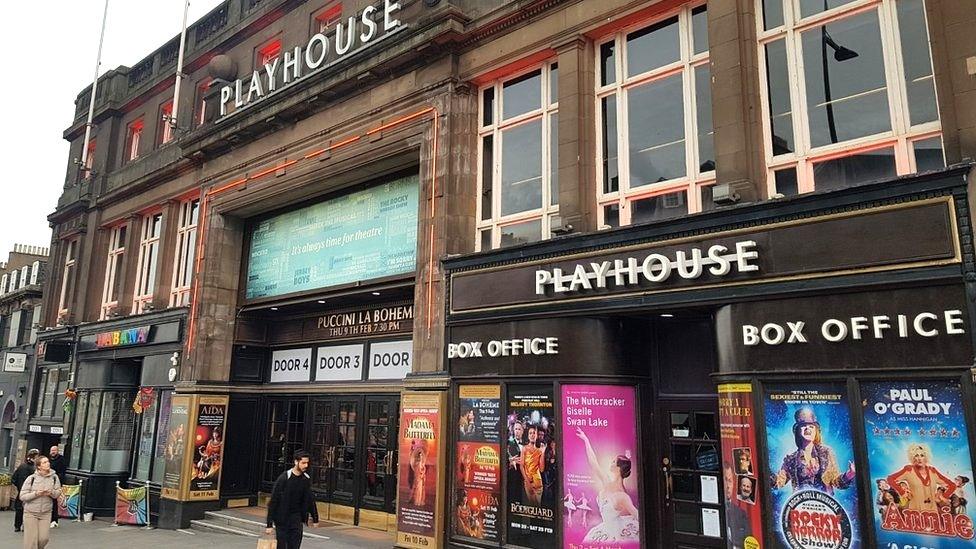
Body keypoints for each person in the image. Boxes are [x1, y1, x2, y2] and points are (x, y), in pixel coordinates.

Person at [574, 427, 640, 543]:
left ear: (618, 468)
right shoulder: (607, 481)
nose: (611, 462)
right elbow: (594, 463)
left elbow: (637, 514)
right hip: (605, 530)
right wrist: (586, 440)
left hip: (616, 534)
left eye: (614, 461)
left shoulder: (622, 496)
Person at [771, 408, 855, 494]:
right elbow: (778, 482)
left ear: (816, 432)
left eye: (811, 426)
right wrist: (765, 472)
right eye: (804, 426)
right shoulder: (791, 459)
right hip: (799, 505)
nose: (808, 428)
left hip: (824, 505)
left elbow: (837, 482)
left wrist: (850, 473)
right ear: (798, 431)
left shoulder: (826, 452)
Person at [265, 450, 319, 549]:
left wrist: (315, 518)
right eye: (303, 463)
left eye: (307, 463)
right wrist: (269, 524)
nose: (306, 465)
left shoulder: (305, 479)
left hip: (296, 518)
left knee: (295, 545)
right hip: (282, 519)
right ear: (296, 462)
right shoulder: (284, 478)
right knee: (282, 546)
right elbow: (273, 501)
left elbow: (310, 499)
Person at [887, 443, 956, 512]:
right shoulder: (908, 470)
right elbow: (890, 479)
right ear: (912, 457)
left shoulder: (933, 472)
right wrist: (902, 492)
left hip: (932, 512)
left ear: (926, 457)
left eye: (922, 455)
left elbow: (952, 485)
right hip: (915, 512)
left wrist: (944, 496)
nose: (919, 458)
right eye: (916, 455)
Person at [19, 455, 62, 549]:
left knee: (43, 539)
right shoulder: (31, 478)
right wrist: (36, 494)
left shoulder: (54, 477)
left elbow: (58, 493)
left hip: (46, 513)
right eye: (44, 462)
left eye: (48, 462)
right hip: (30, 512)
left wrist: (51, 493)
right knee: (30, 542)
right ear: (39, 466)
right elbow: (22, 496)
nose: (48, 463)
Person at [12, 449, 39, 533]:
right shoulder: (34, 469)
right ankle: (25, 525)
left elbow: (14, 478)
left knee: (19, 509)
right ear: (34, 457)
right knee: (28, 509)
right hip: (30, 492)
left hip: (21, 491)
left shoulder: (21, 466)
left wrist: (19, 487)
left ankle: (17, 526)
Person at [520, 425, 546, 505]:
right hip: (528, 482)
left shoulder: (539, 451)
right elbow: (521, 466)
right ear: (528, 436)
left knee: (537, 507)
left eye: (534, 433)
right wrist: (527, 482)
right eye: (530, 433)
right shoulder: (524, 449)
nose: (532, 435)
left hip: (538, 483)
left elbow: (541, 469)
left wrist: (543, 452)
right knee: (529, 507)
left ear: (536, 436)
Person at [47, 446, 67, 528]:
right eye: (51, 450)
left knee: (54, 501)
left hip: (56, 484)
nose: (53, 452)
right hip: (47, 483)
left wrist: (57, 480)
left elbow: (63, 471)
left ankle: (54, 520)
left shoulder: (61, 459)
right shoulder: (48, 459)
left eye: (54, 450)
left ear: (57, 451)